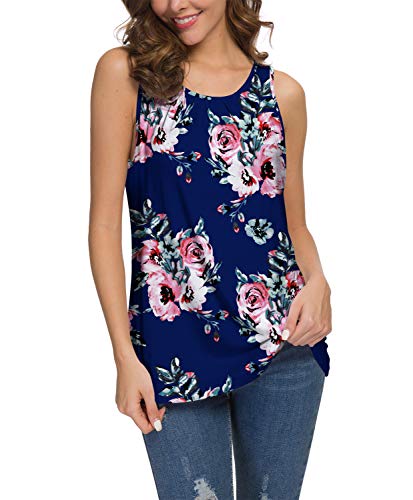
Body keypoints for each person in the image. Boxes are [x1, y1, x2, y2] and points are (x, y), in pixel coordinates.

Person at [89, 1, 333, 498]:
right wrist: (124, 357)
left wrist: (319, 283)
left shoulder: (282, 94)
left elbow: (294, 226)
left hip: (283, 347)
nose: (174, 4)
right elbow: (103, 226)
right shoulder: (128, 74)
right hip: (172, 354)